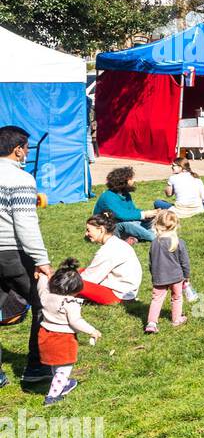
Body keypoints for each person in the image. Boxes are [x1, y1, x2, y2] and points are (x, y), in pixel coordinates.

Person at [0, 125, 53, 387]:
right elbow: (25, 224)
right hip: (12, 252)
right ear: (17, 149)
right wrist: (42, 260)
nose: (27, 152)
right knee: (43, 303)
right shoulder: (21, 179)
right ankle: (37, 368)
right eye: (26, 147)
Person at [36, 259, 101, 406]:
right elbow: (75, 321)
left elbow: (41, 286)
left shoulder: (46, 296)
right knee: (64, 369)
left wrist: (42, 275)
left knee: (55, 364)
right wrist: (92, 330)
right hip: (63, 338)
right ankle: (52, 397)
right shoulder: (70, 303)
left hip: (45, 334)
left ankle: (61, 384)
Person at [78, 212, 143, 305]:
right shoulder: (116, 242)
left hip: (118, 295)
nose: (86, 233)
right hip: (127, 290)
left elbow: (89, 278)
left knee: (74, 283)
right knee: (79, 272)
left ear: (101, 229)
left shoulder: (107, 250)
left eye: (89, 230)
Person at [145, 210, 190, 334]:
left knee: (156, 299)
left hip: (159, 277)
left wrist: (153, 274)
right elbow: (184, 262)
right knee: (177, 297)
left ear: (156, 225)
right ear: (175, 226)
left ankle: (151, 323)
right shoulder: (179, 243)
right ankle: (176, 319)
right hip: (177, 277)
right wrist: (186, 276)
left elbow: (151, 261)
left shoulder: (154, 243)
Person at [93, 166, 158, 243]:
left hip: (120, 223)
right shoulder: (108, 196)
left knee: (148, 221)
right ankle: (154, 237)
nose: (133, 181)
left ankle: (135, 237)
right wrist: (144, 214)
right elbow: (121, 215)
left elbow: (132, 210)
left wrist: (150, 214)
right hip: (107, 229)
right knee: (128, 225)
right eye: (131, 179)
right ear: (122, 181)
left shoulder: (125, 194)